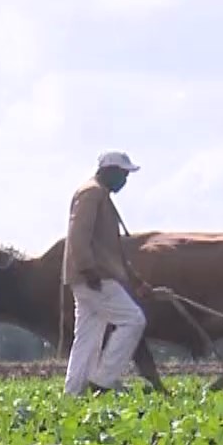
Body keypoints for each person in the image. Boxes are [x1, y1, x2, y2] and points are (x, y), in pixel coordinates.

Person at [63, 151, 160, 396]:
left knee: (87, 339)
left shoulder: (98, 194)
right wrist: (88, 269)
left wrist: (136, 281)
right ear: (110, 171)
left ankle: (72, 395)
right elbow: (78, 236)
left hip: (89, 277)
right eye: (123, 175)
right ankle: (103, 381)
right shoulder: (91, 193)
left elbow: (111, 250)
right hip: (94, 278)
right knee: (134, 320)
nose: (125, 181)